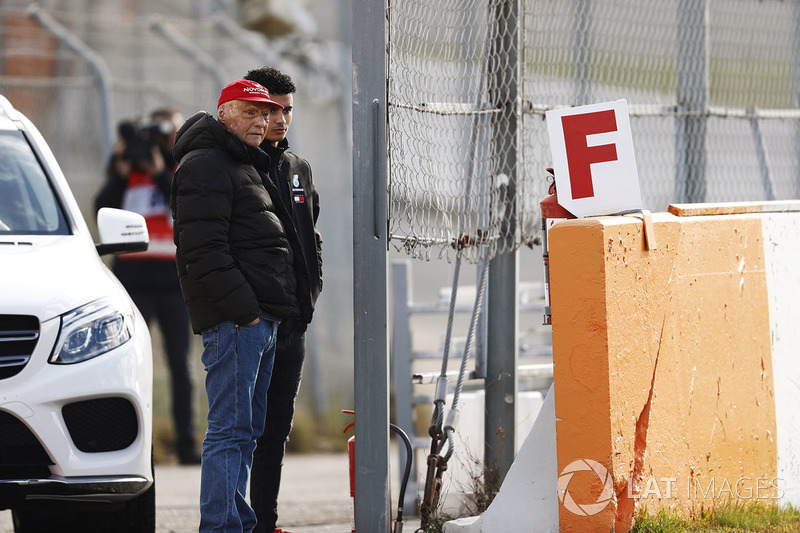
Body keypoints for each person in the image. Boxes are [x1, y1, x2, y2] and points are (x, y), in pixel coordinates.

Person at [170, 79, 312, 532]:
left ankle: (238, 522)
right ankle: (220, 526)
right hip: (239, 321)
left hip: (262, 318)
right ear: (225, 113)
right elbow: (203, 251)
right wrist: (246, 311)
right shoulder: (207, 164)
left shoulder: (241, 162)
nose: (262, 121)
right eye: (250, 112)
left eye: (265, 113)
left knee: (246, 432)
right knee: (229, 431)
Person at [94, 107, 201, 465]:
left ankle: (187, 446)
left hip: (174, 283)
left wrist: (158, 173)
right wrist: (123, 171)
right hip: (133, 284)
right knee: (128, 366)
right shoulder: (128, 178)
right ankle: (138, 450)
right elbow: (99, 208)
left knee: (180, 367)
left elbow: (187, 207)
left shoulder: (181, 172)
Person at [242, 67, 323, 533]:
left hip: (294, 321)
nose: (280, 119)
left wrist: (310, 293)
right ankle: (234, 519)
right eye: (271, 110)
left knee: (275, 431)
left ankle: (264, 523)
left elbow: (311, 238)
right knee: (241, 432)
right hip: (251, 322)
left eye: (287, 110)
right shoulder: (236, 166)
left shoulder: (298, 168)